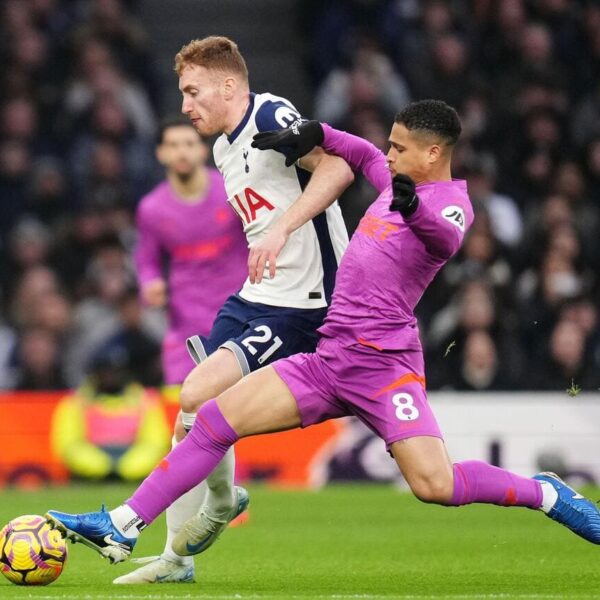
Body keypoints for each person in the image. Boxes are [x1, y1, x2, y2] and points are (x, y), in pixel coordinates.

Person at [48, 100, 600, 568]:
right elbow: (359, 155)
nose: (389, 155)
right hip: (330, 356)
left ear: (434, 153)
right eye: (391, 143)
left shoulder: (450, 203)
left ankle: (544, 492)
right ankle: (121, 525)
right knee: (214, 418)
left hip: (385, 369)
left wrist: (412, 211)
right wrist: (316, 135)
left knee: (436, 487)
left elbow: (445, 241)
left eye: (401, 148)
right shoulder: (392, 177)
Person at [88, 36, 351, 584]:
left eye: (192, 91)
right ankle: (177, 558)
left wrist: (283, 228)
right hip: (255, 298)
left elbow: (338, 171)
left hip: (306, 302)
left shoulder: (272, 114)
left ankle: (211, 507)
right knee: (192, 410)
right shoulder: (222, 149)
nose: (186, 106)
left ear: (229, 85)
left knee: (196, 395)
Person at [134, 115, 247, 386]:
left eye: (188, 143)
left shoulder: (232, 190)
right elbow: (146, 260)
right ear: (161, 153)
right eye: (173, 145)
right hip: (187, 323)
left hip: (241, 315)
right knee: (184, 407)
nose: (181, 151)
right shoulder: (152, 209)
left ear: (202, 149)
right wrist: (150, 284)